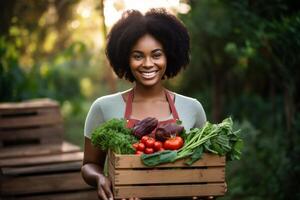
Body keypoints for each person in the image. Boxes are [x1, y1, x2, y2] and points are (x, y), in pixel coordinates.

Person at [81, 8, 206, 200]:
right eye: (138, 56)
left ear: (169, 56)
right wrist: (100, 178)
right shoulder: (103, 107)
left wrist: (207, 189)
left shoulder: (192, 108)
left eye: (156, 55)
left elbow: (204, 166)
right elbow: (89, 164)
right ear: (125, 58)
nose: (148, 64)